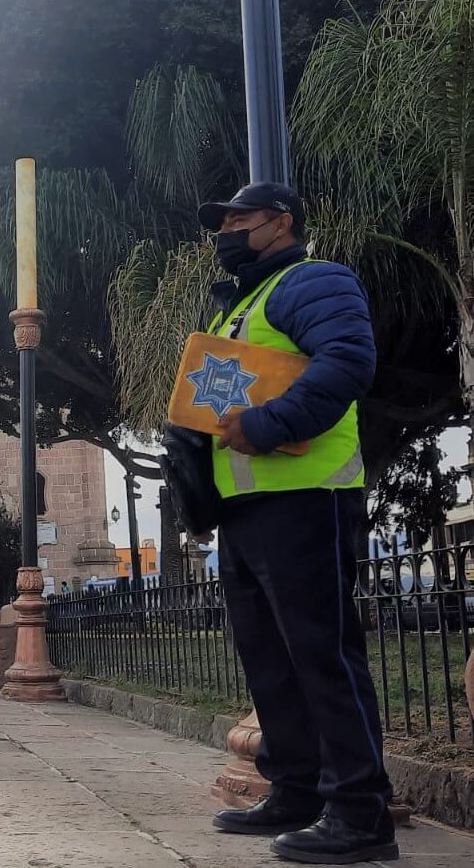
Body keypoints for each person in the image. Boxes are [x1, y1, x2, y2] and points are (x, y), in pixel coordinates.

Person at [195, 184, 393, 864]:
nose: (226, 231)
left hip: (308, 497)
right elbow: (212, 411)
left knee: (321, 656)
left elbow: (346, 361)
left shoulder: (312, 280)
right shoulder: (239, 307)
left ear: (280, 222)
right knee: (270, 660)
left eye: (240, 219)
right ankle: (298, 788)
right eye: (221, 223)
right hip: (247, 509)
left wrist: (271, 423)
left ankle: (360, 811)